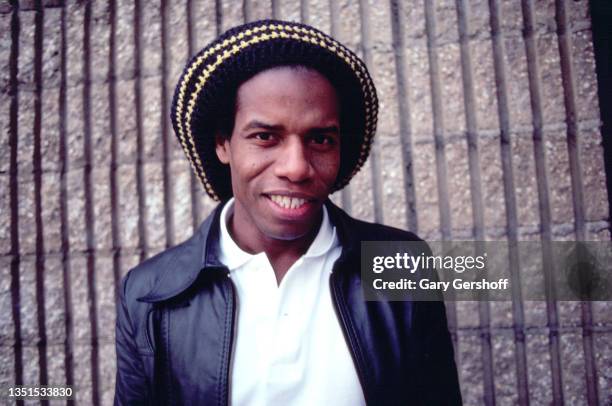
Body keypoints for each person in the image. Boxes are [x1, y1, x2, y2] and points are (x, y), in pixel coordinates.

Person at [114, 19, 461, 405]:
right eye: (265, 137)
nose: (296, 167)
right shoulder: (148, 295)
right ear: (222, 144)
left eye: (320, 139)